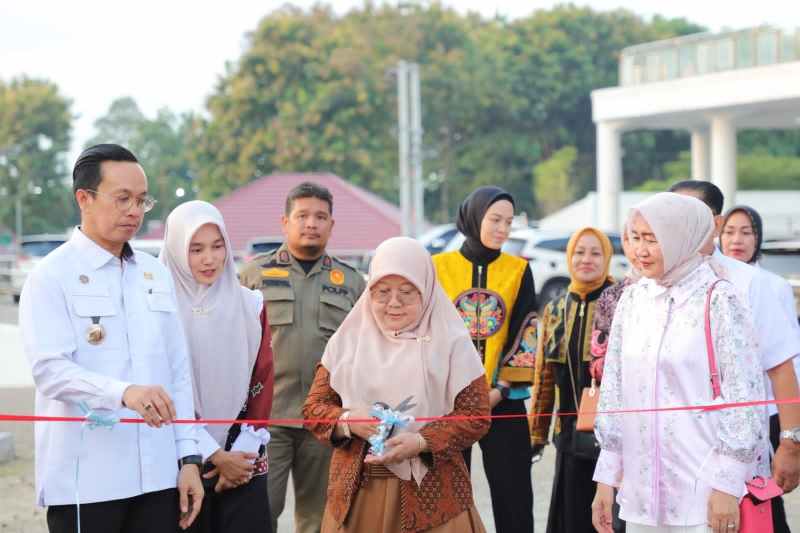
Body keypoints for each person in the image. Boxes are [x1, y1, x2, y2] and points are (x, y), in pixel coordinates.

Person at [19, 144, 203, 533]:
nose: (134, 211)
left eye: (142, 200)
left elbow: (178, 371)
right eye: (122, 199)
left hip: (157, 476)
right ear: (84, 199)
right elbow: (50, 371)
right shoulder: (51, 276)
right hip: (87, 480)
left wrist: (188, 457)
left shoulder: (155, 274)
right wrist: (124, 393)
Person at [591, 192, 766, 533]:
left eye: (652, 239)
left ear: (682, 237)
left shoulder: (719, 298)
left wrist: (727, 485)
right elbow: (614, 391)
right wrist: (606, 480)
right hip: (641, 493)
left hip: (702, 490)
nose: (640, 250)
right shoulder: (633, 299)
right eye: (635, 237)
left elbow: (744, 396)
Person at [303, 236, 490, 532]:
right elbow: (314, 409)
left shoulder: (452, 342)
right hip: (359, 494)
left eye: (406, 292)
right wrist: (349, 421)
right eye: (382, 292)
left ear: (426, 290)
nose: (393, 303)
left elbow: (476, 415)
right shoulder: (347, 341)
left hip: (434, 496)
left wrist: (422, 441)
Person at [671, 181, 800, 533]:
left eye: (688, 214)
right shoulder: (653, 285)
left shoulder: (749, 283)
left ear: (715, 223)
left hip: (735, 451)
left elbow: (782, 367)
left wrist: (791, 442)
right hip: (674, 456)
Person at [239, 182, 366, 533]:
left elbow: (364, 350)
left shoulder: (351, 282)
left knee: (320, 518)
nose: (311, 223)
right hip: (268, 420)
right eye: (302, 216)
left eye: (320, 217)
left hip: (325, 420)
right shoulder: (254, 276)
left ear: (331, 225)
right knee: (261, 510)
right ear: (285, 222)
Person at [160, 200, 275, 533]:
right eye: (195, 249)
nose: (209, 259)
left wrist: (242, 453)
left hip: (243, 457)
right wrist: (212, 454)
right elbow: (160, 386)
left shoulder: (250, 305)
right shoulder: (158, 308)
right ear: (176, 249)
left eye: (217, 245)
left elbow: (263, 378)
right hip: (178, 457)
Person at [432, 186, 536, 533]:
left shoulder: (518, 270)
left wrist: (500, 390)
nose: (503, 229)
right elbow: (429, 331)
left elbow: (526, 332)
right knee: (447, 497)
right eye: (495, 220)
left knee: (514, 495)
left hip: (502, 400)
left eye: (508, 222)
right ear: (475, 218)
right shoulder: (438, 267)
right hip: (449, 401)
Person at [720, 203, 800, 533]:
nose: (737, 240)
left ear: (758, 238)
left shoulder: (771, 285)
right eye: (729, 232)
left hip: (766, 409)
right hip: (722, 413)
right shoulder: (711, 280)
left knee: (762, 499)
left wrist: (791, 430)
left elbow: (788, 356)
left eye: (746, 232)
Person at [530, 227, 615, 533]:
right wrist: (536, 434)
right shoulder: (555, 309)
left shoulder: (621, 304)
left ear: (607, 258)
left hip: (612, 440)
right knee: (571, 519)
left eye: (595, 253)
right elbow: (544, 376)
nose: (586, 259)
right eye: (579, 252)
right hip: (569, 436)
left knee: (608, 519)